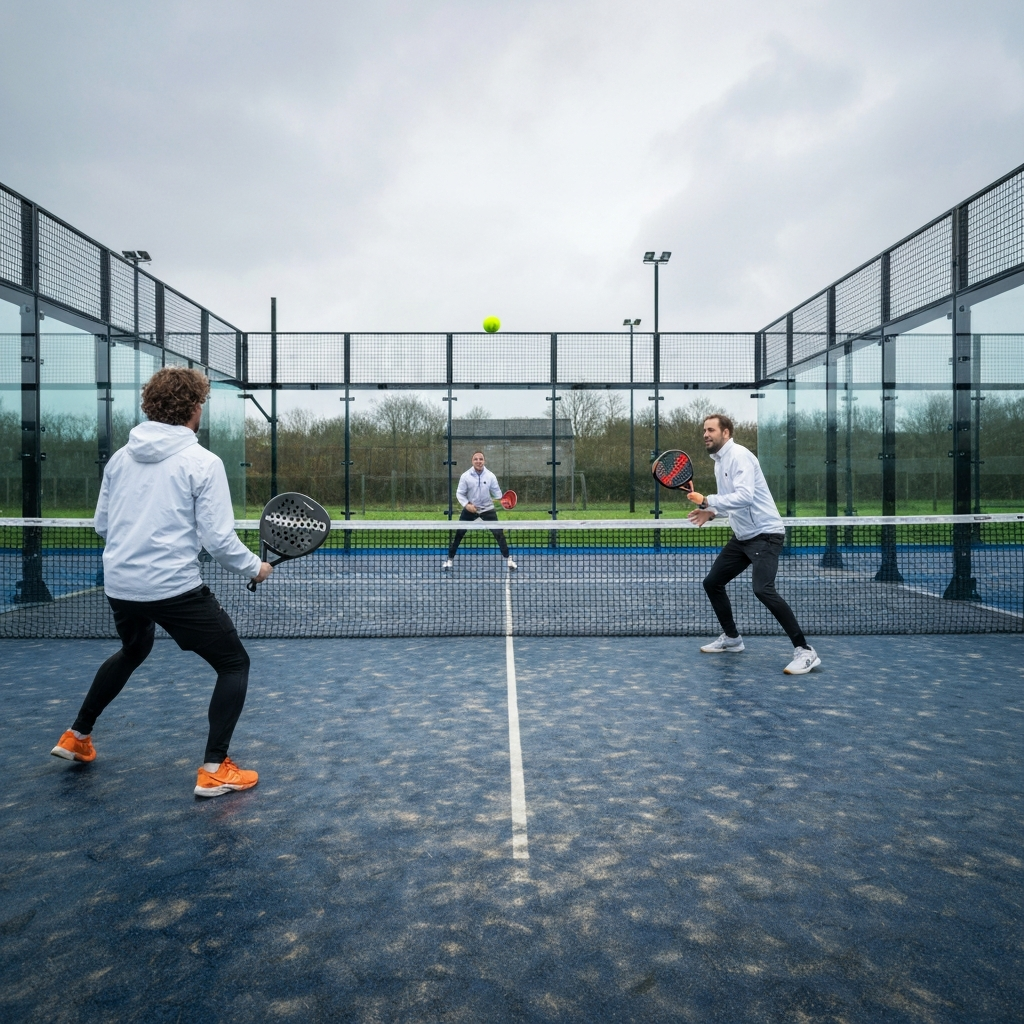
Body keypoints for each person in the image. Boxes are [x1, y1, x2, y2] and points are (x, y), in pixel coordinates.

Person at [50, 366, 274, 796]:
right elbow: (218, 539)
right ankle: (214, 768)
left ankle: (76, 737)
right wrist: (254, 568)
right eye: (201, 403)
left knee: (133, 649)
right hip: (173, 588)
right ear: (194, 408)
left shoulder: (120, 458)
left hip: (120, 585)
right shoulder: (203, 462)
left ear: (151, 406)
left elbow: (102, 524)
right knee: (233, 664)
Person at [686, 413, 820, 675]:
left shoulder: (740, 456)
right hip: (743, 537)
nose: (705, 434)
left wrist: (707, 501)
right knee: (712, 582)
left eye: (711, 430)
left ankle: (805, 651)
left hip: (766, 534)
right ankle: (732, 639)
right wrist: (712, 511)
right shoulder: (720, 462)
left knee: (762, 589)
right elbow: (732, 501)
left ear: (726, 433)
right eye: (704, 430)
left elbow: (745, 497)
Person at [443, 450, 517, 571]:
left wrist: (504, 500)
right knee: (459, 534)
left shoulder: (490, 476)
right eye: (476, 459)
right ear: (472, 461)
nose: (478, 461)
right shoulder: (465, 476)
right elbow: (460, 493)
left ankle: (509, 560)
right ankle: (449, 561)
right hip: (470, 509)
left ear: (484, 461)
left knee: (499, 534)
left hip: (487, 509)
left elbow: (498, 494)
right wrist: (467, 505)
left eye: (481, 459)